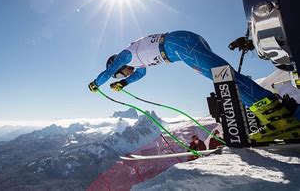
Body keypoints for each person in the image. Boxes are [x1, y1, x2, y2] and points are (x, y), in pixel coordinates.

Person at [87, 31, 300, 142]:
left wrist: (96, 84)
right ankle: (283, 114)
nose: (123, 73)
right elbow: (140, 74)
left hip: (178, 46)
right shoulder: (136, 62)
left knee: (227, 80)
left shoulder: (125, 55)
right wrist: (124, 82)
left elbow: (107, 72)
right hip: (181, 44)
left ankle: (279, 120)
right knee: (228, 78)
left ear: (119, 65)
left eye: (120, 72)